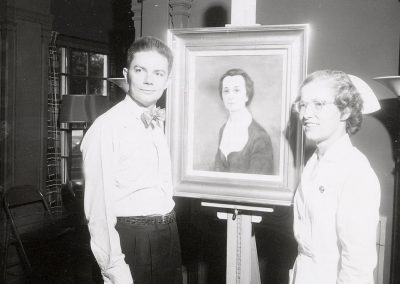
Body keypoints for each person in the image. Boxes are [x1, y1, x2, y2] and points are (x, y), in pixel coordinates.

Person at [81, 36, 182, 284]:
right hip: (131, 242)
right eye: (140, 70)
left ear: (168, 80)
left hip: (168, 236)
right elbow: (98, 212)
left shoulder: (162, 122)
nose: (149, 80)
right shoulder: (106, 128)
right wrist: (115, 271)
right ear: (127, 74)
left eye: (158, 73)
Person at [290, 70, 381, 284]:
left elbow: (357, 266)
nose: (306, 114)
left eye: (319, 104)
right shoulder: (314, 162)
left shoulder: (355, 171)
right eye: (303, 105)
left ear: (345, 111)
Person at [214, 68, 274, 175]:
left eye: (236, 90)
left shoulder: (260, 137)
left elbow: (259, 185)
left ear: (247, 95)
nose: (230, 96)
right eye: (226, 91)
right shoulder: (223, 130)